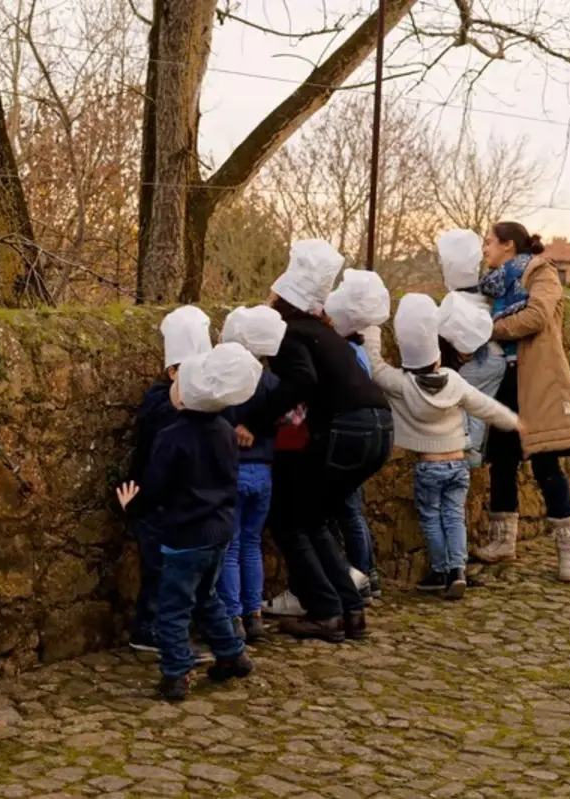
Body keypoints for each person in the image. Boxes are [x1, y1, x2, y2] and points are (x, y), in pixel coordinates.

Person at [263, 240, 394, 643]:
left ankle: (324, 610)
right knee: (313, 518)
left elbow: (302, 381)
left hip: (345, 429)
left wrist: (254, 417)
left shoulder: (288, 334)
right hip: (379, 427)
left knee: (288, 520)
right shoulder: (325, 332)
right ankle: (349, 610)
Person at [117, 343, 262, 700]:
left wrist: (131, 505)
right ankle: (231, 654)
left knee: (173, 607)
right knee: (206, 596)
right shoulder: (226, 432)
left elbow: (155, 487)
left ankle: (175, 673)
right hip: (219, 529)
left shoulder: (172, 436)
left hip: (184, 534)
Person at [362, 294, 521, 599]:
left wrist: (372, 325)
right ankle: (458, 570)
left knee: (432, 517)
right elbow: (483, 405)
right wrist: (513, 421)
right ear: (437, 357)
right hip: (458, 462)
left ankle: (440, 570)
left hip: (429, 463)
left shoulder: (403, 384)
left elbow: (376, 367)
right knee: (453, 516)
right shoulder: (453, 380)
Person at [473, 222, 570, 582]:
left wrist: (489, 328)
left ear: (509, 245)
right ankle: (503, 541)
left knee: (545, 463)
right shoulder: (490, 284)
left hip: (536, 381)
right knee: (502, 461)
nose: (484, 248)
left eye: (489, 242)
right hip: (504, 380)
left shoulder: (542, 274)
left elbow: (537, 316)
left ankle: (568, 550)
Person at [125, 306, 212, 654]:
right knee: (157, 567)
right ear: (173, 372)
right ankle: (148, 628)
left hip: (176, 501)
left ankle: (168, 627)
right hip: (152, 498)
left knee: (173, 569)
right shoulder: (161, 405)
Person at [217, 305, 286, 641]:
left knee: (229, 547)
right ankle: (254, 613)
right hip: (263, 471)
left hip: (232, 470)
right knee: (252, 543)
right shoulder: (271, 382)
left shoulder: (226, 378)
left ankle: (233, 618)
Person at [322, 269, 391, 598]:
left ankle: (358, 580)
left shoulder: (344, 350)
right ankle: (368, 575)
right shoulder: (360, 349)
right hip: (374, 427)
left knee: (343, 510)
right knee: (352, 509)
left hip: (346, 430)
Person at [438, 229, 507, 468]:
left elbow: (445, 334)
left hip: (477, 361)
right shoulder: (485, 292)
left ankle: (466, 453)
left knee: (461, 402)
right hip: (499, 358)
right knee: (479, 409)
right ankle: (475, 453)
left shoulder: (453, 301)